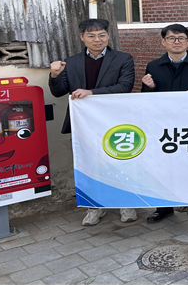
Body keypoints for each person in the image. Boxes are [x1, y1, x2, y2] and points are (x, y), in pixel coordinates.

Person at [48, 18, 137, 226]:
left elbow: (125, 86)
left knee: (120, 161)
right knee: (89, 165)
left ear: (108, 36)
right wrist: (54, 75)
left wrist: (92, 92)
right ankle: (94, 206)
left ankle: (126, 203)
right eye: (91, 35)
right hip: (83, 124)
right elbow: (59, 92)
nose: (97, 39)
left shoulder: (123, 59)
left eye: (102, 35)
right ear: (82, 37)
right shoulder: (71, 62)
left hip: (114, 121)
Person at [141, 24, 188, 223]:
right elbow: (146, 99)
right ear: (163, 42)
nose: (176, 42)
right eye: (171, 38)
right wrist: (149, 88)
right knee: (163, 167)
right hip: (163, 126)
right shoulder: (153, 66)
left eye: (181, 38)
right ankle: (164, 207)